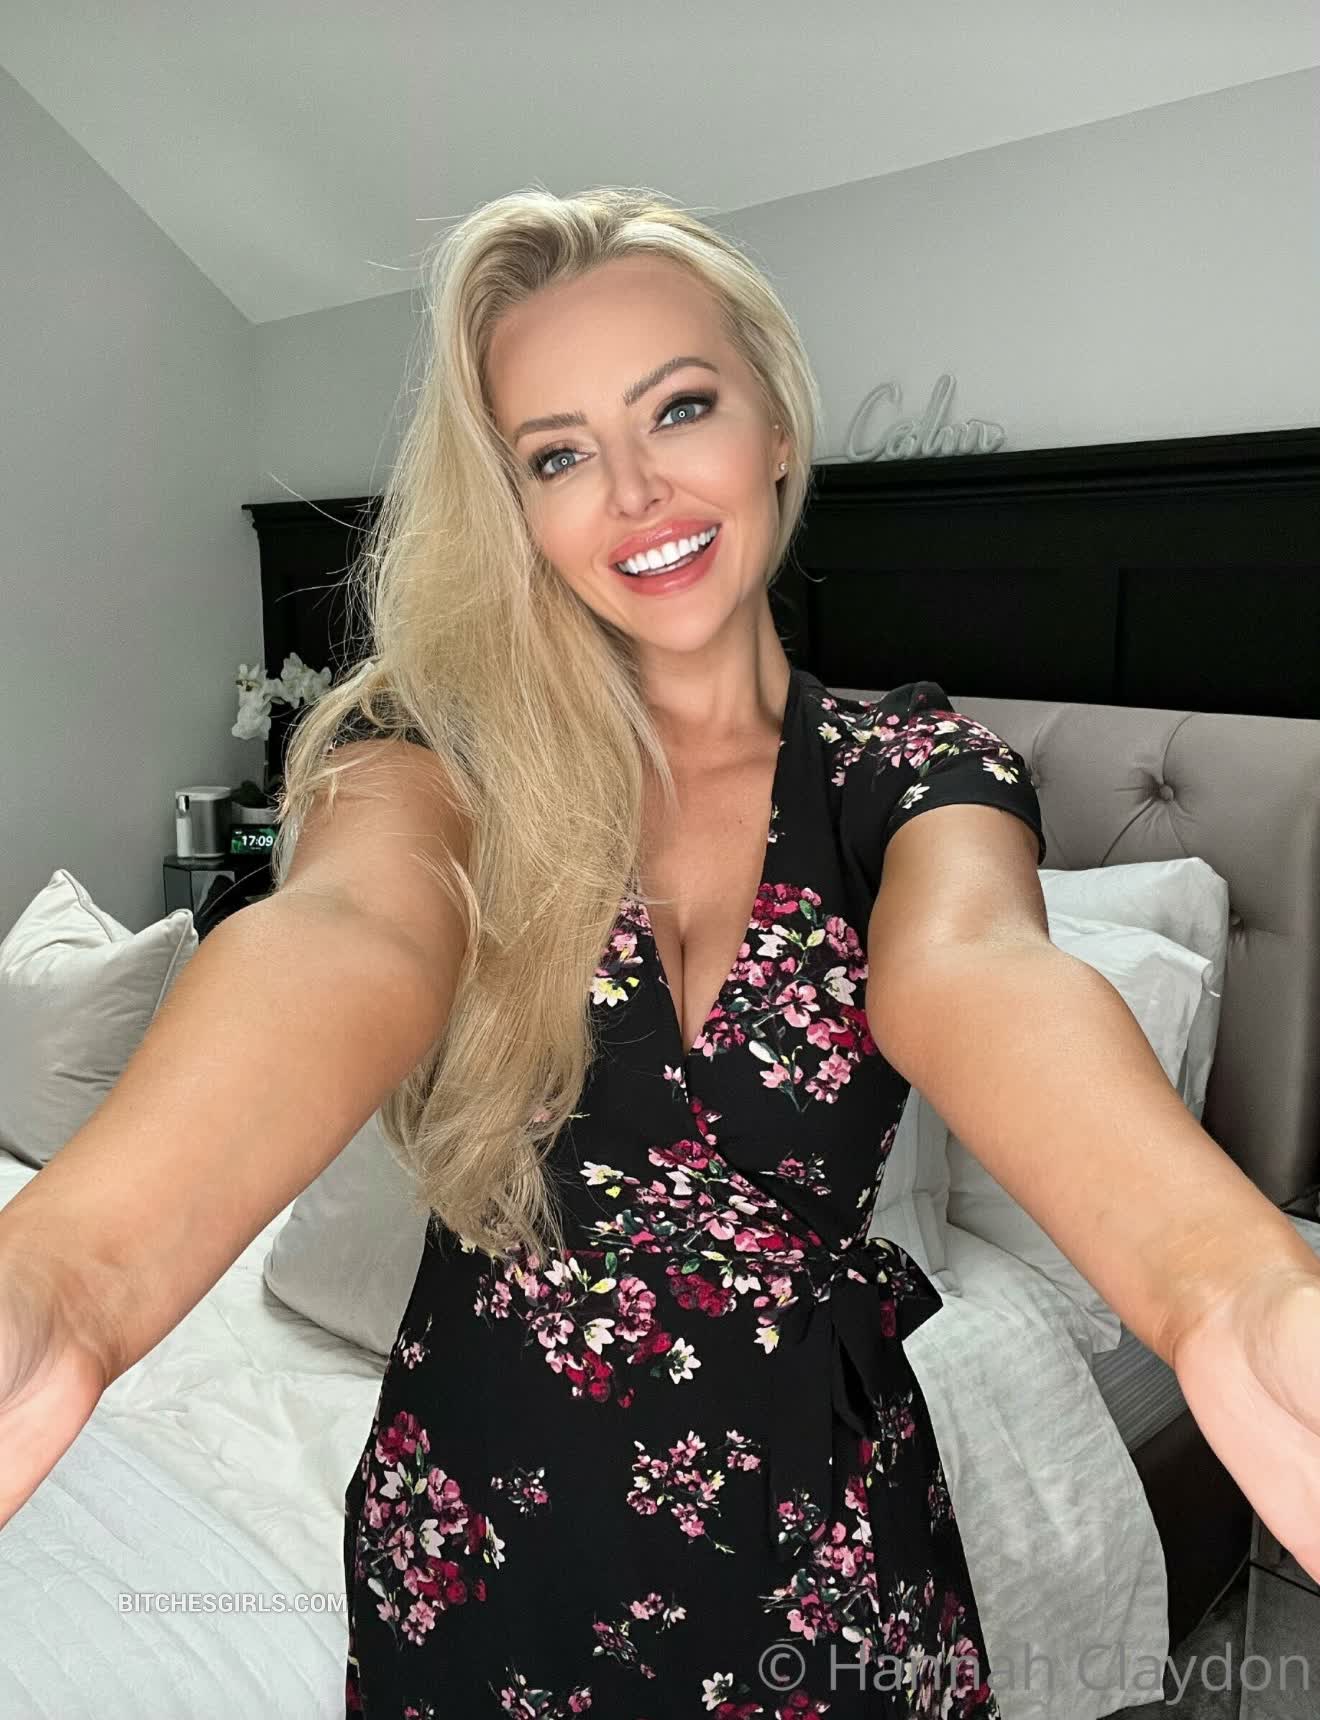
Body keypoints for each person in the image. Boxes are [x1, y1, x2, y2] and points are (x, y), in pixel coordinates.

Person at [1, 186, 1318, 1719]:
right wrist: (63, 1280)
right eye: (557, 453)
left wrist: (1233, 1290)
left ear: (776, 424)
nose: (633, 492)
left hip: (822, 1558)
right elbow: (344, 932)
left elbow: (983, 975)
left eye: (678, 408)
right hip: (476, 1549)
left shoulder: (915, 770)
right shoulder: (431, 762)